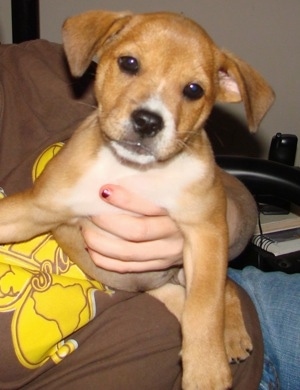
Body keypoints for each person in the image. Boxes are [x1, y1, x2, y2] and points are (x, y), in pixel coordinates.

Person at [0, 39, 298, 389]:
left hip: (250, 309)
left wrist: (217, 223)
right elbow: (27, 214)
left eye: (191, 89)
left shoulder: (38, 67)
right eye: (129, 65)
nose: (149, 112)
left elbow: (226, 188)